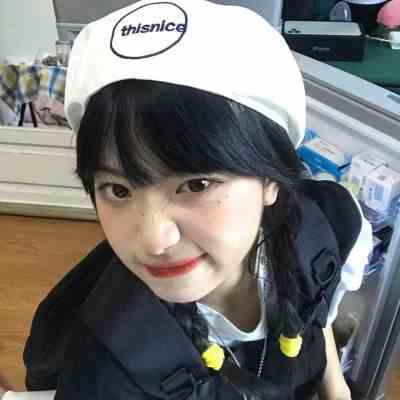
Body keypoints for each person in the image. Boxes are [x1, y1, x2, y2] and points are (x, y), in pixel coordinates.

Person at [1, 0, 372, 399]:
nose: (154, 240)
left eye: (196, 184)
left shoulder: (322, 227)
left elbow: (314, 310)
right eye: (119, 190)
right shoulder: (106, 374)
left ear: (271, 179)